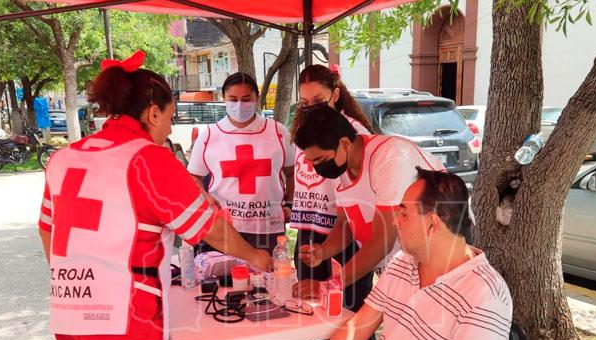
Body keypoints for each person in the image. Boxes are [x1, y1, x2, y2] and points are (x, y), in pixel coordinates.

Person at [37, 50, 271, 340]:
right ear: (151, 112)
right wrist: (257, 257)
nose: (169, 125)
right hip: (123, 327)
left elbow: (47, 231)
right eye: (170, 114)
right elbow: (211, 228)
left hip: (69, 314)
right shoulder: (147, 159)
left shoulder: (64, 158)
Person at [254, 169, 512, 340]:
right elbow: (359, 326)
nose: (395, 222)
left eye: (403, 214)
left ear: (432, 224)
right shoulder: (403, 262)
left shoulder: (485, 292)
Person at [293, 103, 445, 295]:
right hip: (399, 270)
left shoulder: (389, 157)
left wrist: (332, 285)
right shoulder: (340, 167)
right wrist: (323, 251)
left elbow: (382, 242)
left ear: (345, 144)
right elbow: (344, 223)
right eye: (313, 161)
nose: (318, 168)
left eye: (321, 160)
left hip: (436, 263)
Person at [291, 64, 376, 312]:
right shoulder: (304, 130)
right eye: (305, 103)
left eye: (318, 100)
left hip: (343, 231)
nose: (311, 108)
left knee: (348, 308)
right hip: (310, 228)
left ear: (335, 95)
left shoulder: (352, 133)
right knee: (310, 305)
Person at [187, 72, 295, 254]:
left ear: (256, 98)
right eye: (233, 99)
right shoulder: (209, 135)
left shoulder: (278, 132)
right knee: (225, 281)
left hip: (267, 228)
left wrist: (290, 205)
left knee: (266, 279)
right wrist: (206, 198)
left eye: (246, 99)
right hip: (224, 227)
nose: (239, 105)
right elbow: (193, 176)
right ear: (224, 98)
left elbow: (292, 172)